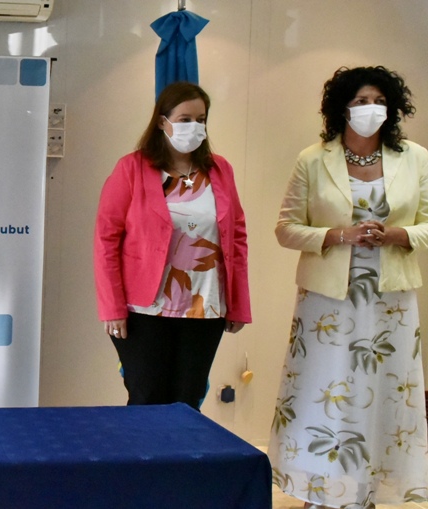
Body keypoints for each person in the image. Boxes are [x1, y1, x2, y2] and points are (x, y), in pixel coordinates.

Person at [269, 66, 428, 509]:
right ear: (342, 108)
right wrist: (339, 235)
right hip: (327, 301)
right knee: (326, 390)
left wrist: (397, 235)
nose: (370, 109)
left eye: (379, 101)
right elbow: (285, 229)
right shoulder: (313, 159)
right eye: (361, 101)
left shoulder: (415, 157)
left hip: (390, 299)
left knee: (383, 389)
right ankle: (318, 490)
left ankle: (366, 490)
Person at [93, 82, 250, 410]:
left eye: (200, 119)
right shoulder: (132, 168)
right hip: (144, 309)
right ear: (162, 122)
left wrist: (239, 304)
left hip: (205, 306)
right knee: (147, 398)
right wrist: (111, 307)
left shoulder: (220, 170)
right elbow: (106, 240)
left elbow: (236, 237)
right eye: (184, 119)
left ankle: (181, 448)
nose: (194, 127)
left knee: (188, 402)